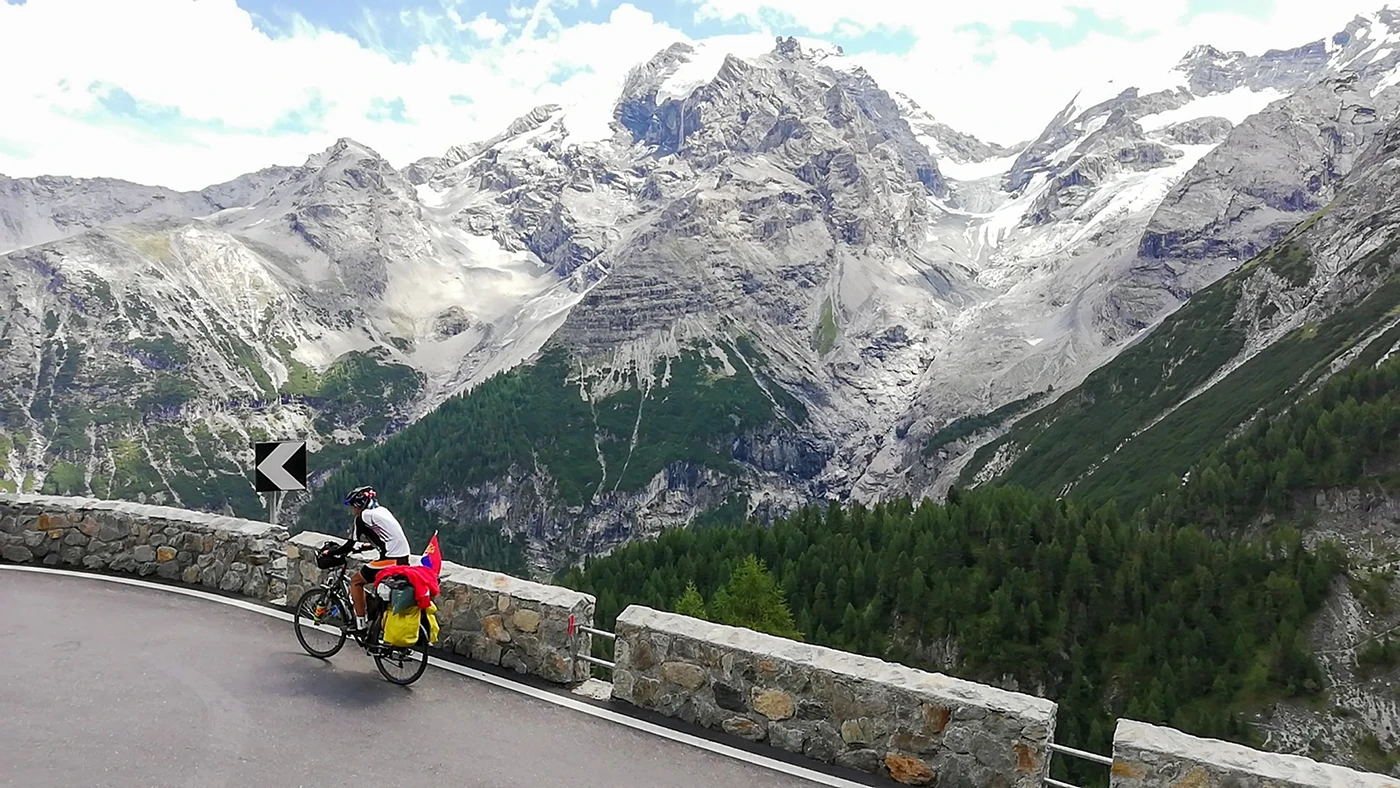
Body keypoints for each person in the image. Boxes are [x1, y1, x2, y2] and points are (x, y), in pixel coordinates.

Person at [337, 485, 413, 633]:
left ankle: (360, 625)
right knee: (373, 584)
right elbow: (381, 539)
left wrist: (332, 552)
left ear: (359, 505)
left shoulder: (363, 517)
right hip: (403, 558)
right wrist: (365, 547)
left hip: (391, 560)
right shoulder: (381, 511)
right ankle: (376, 617)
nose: (353, 510)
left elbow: (349, 544)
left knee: (356, 581)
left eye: (353, 506)